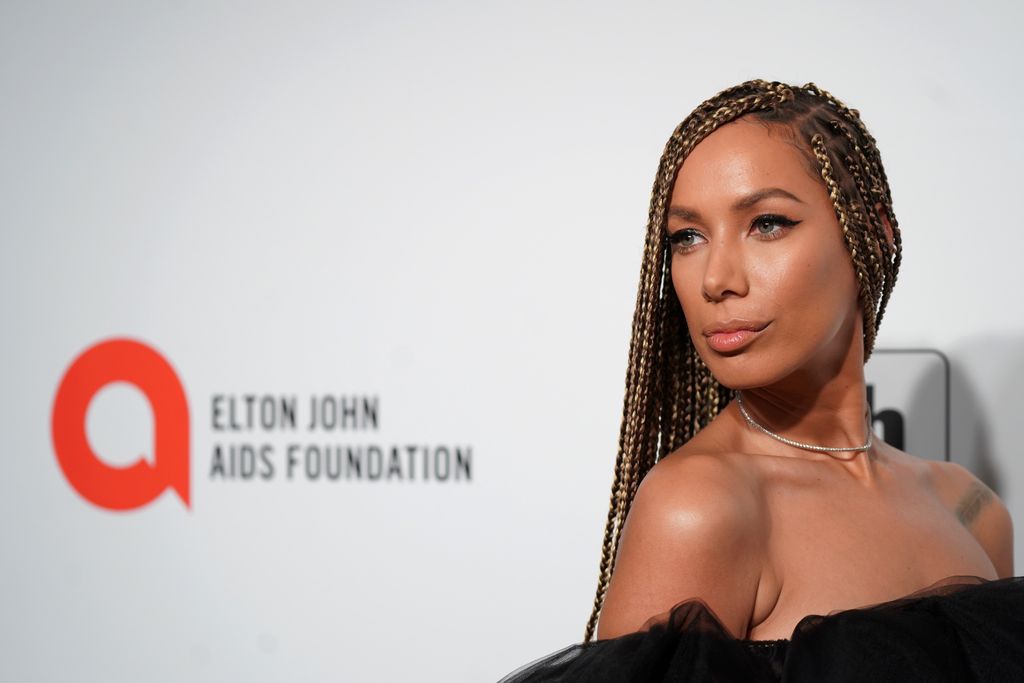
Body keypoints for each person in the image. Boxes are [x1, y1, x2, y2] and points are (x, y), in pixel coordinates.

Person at [499, 80, 1024, 682]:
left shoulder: (973, 511)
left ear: (870, 233)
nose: (716, 279)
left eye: (767, 223)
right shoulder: (701, 508)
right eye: (687, 237)